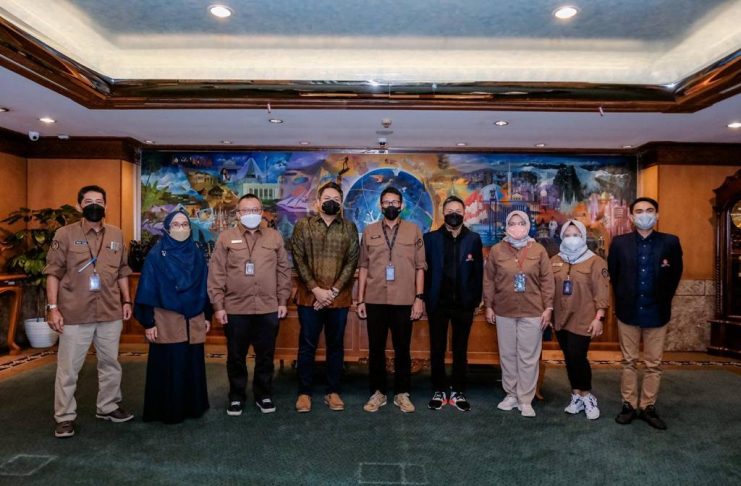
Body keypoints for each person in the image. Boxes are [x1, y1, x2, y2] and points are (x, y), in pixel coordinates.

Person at [44, 185, 134, 438]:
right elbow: (53, 273)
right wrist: (53, 308)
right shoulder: (64, 234)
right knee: (68, 369)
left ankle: (108, 406)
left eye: (99, 201)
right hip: (74, 312)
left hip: (110, 311)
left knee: (110, 364)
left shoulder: (116, 234)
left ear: (106, 205)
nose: (94, 205)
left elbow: (122, 271)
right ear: (79, 206)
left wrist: (127, 301)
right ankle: (64, 417)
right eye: (88, 201)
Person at [208, 194, 291, 416]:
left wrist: (283, 300)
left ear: (261, 212)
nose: (251, 214)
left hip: (268, 308)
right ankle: (236, 396)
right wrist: (218, 306)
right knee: (236, 356)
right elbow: (216, 273)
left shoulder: (274, 237)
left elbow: (283, 271)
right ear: (238, 214)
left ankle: (263, 394)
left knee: (266, 356)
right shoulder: (226, 238)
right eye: (246, 210)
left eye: (255, 210)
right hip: (235, 309)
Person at [608, 197, 683, 430]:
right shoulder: (619, 243)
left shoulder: (670, 242)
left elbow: (675, 274)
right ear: (631, 217)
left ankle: (648, 406)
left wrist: (664, 299)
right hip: (628, 311)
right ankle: (629, 405)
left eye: (650, 210)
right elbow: (614, 274)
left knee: (654, 363)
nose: (644, 215)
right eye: (639, 211)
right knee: (628, 361)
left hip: (657, 311)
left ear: (657, 215)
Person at [134, 209, 211, 424]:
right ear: (167, 229)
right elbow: (147, 289)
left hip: (194, 317)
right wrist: (148, 322)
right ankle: (168, 410)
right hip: (166, 319)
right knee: (169, 364)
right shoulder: (156, 255)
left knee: (192, 362)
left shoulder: (196, 253)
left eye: (184, 224)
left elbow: (204, 287)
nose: (180, 228)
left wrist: (207, 315)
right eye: (175, 225)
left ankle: (193, 407)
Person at [290, 181, 359, 413]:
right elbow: (298, 260)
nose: (332, 202)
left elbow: (352, 262)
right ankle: (304, 393)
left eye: (336, 200)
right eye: (327, 198)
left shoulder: (349, 228)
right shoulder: (303, 226)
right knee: (307, 346)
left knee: (336, 346)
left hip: (339, 299)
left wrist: (333, 291)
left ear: (341, 204)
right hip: (309, 298)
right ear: (318, 202)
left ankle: (333, 391)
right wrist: (317, 290)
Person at [357, 187, 426, 413]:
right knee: (375, 348)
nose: (391, 206)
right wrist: (360, 300)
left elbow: (420, 267)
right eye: (386, 202)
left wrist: (419, 298)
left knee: (402, 348)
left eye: (395, 202)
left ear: (402, 205)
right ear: (380, 206)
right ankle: (377, 393)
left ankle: (402, 393)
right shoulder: (369, 231)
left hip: (404, 299)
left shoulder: (413, 230)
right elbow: (363, 267)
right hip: (375, 299)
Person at [483, 210, 554, 418]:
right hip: (504, 310)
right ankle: (511, 394)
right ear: (506, 226)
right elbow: (489, 280)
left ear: (528, 226)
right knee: (508, 355)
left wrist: (548, 308)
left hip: (533, 310)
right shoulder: (497, 250)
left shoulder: (538, 250)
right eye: (512, 223)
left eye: (521, 223)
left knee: (528, 356)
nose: (516, 227)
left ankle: (525, 398)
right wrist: (488, 305)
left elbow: (547, 281)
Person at [423, 195, 483, 411]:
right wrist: (424, 298)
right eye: (450, 211)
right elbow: (424, 272)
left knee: (460, 349)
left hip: (464, 304)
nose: (454, 214)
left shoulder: (473, 239)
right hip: (438, 303)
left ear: (464, 213)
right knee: (437, 348)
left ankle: (458, 390)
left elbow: (478, 271)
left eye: (458, 211)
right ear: (443, 214)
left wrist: (476, 299)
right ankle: (438, 390)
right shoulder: (430, 239)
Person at [551, 220, 609, 420]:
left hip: (584, 317)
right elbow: (548, 288)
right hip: (560, 318)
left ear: (583, 236)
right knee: (569, 357)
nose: (571, 239)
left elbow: (602, 292)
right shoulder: (555, 260)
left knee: (578, 356)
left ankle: (587, 396)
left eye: (576, 235)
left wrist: (599, 317)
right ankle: (576, 395)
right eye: (567, 235)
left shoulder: (595, 261)